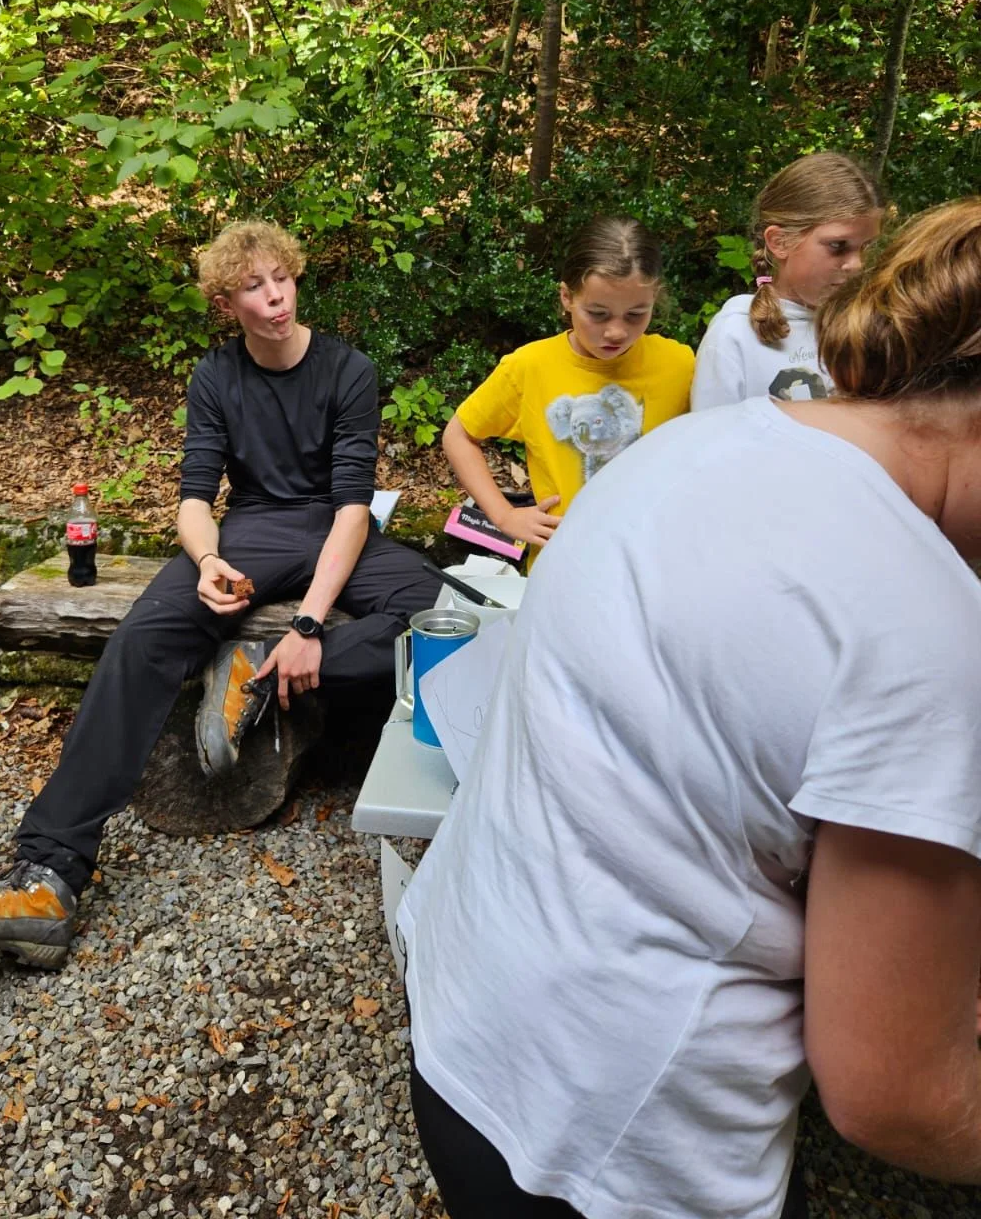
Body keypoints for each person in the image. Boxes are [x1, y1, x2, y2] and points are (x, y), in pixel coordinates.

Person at [400, 197, 981, 1219]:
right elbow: (896, 1093)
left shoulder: (695, 447)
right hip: (624, 1151)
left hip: (462, 1029)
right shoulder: (930, 627)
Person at [0, 220, 442, 969]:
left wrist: (309, 629)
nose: (276, 297)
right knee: (143, 638)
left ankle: (255, 669)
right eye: (254, 287)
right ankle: (48, 877)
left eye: (282, 278)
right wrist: (208, 560)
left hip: (337, 532)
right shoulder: (216, 375)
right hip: (251, 532)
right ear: (227, 303)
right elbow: (195, 497)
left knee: (442, 617)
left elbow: (353, 509)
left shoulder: (348, 370)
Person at [442, 217, 694, 551]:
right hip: (562, 561)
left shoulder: (680, 365)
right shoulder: (530, 367)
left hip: (655, 558)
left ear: (655, 297)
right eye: (598, 314)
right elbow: (458, 435)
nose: (616, 332)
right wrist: (504, 516)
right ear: (566, 297)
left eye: (636, 314)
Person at [691, 152, 882, 409]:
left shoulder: (870, 324)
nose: (857, 264)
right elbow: (711, 430)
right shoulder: (735, 334)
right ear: (779, 242)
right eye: (838, 246)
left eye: (866, 246)